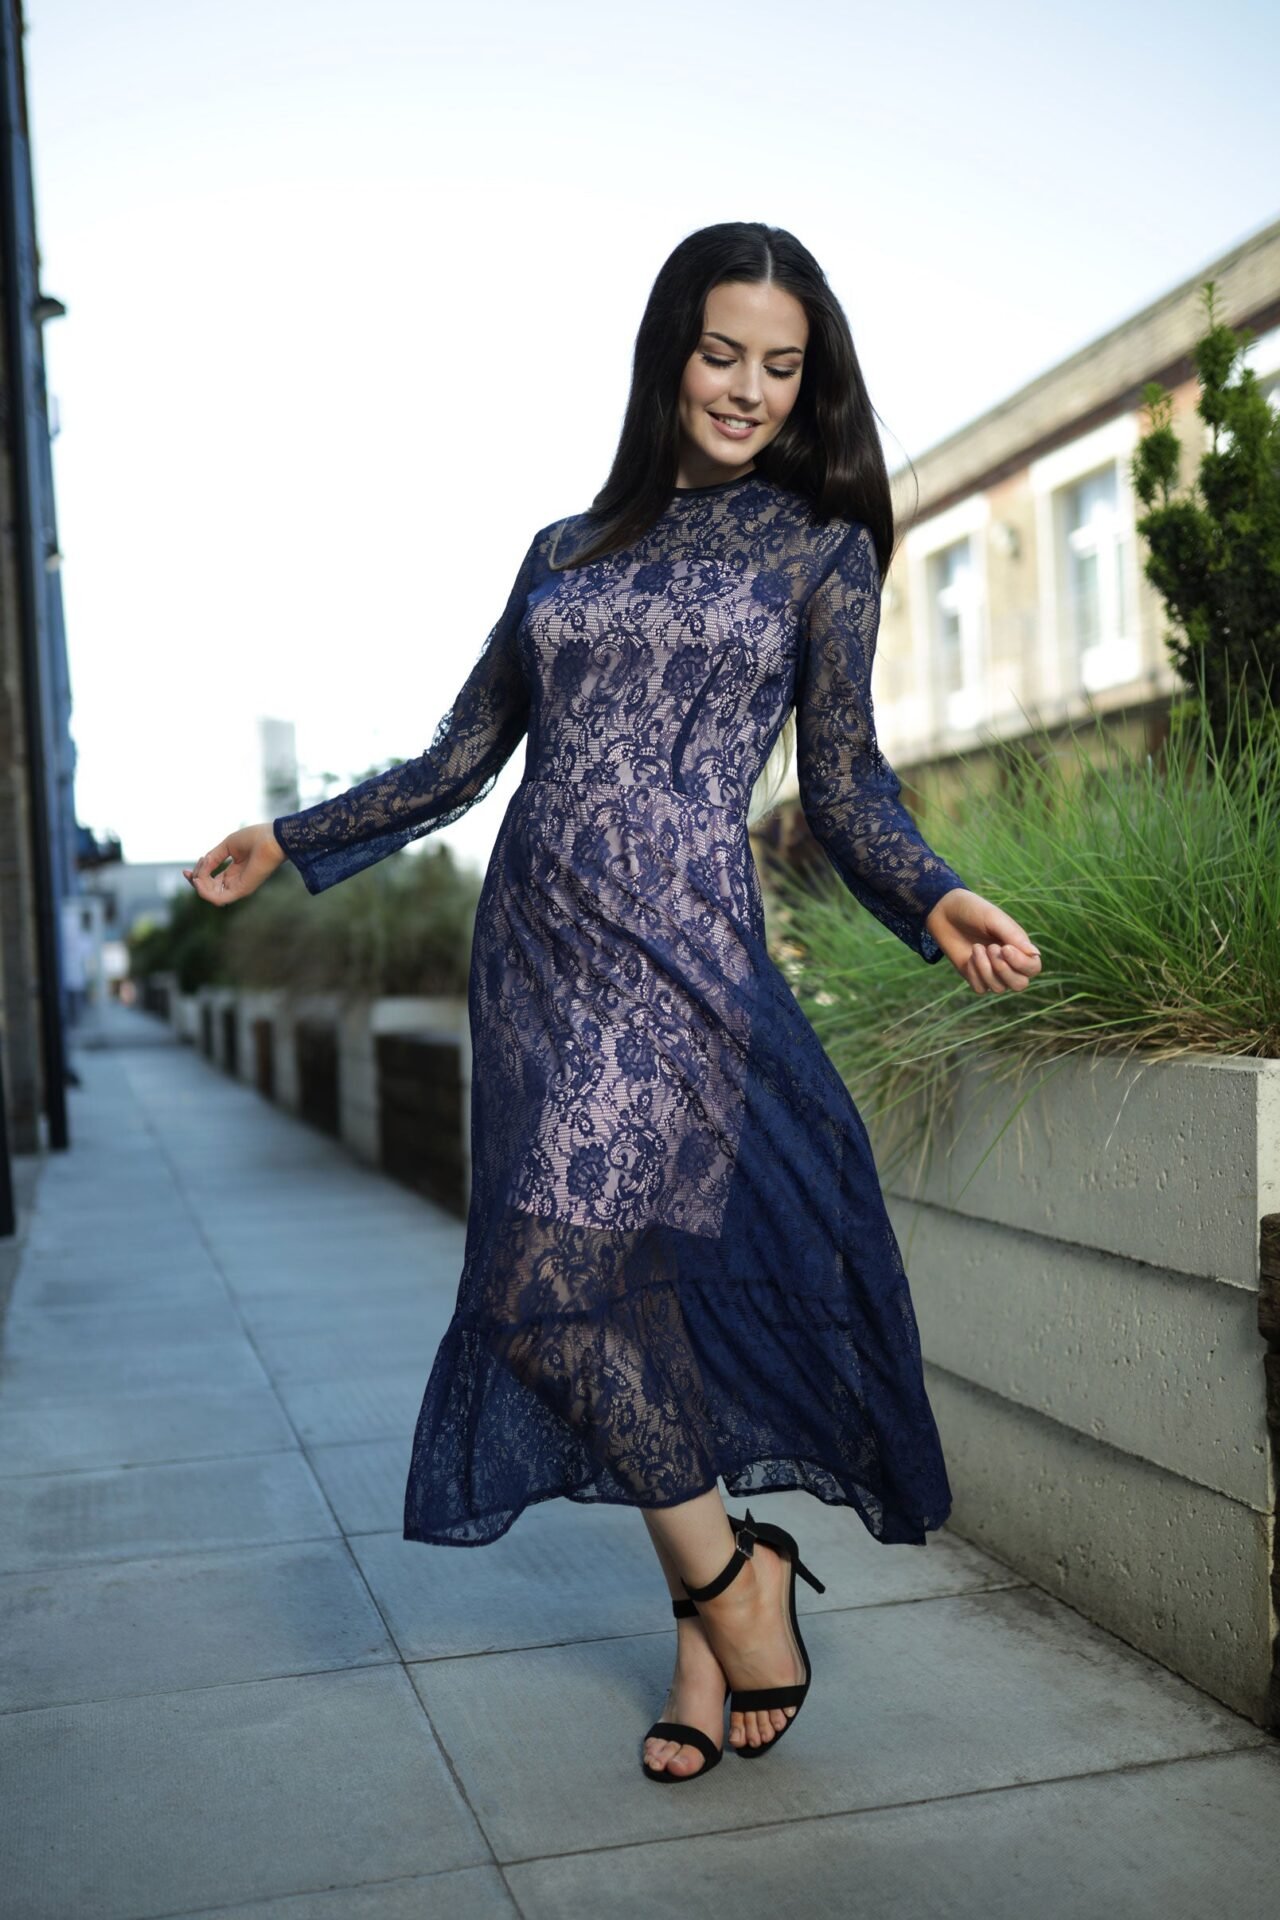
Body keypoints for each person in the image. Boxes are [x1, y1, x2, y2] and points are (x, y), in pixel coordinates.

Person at [185, 221, 1042, 1785]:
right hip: (534, 956)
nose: (749, 389)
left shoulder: (818, 553)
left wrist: (933, 894)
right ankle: (710, 1633)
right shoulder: (563, 549)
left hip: (679, 967)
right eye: (723, 353)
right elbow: (462, 756)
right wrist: (294, 837)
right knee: (617, 1306)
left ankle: (740, 1580)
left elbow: (847, 784)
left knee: (541, 1293)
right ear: (670, 355)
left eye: (782, 367)